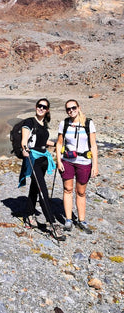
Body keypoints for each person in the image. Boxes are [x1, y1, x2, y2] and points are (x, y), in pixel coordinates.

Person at [56, 99, 98, 234]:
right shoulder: (64, 123)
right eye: (68, 109)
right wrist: (58, 160)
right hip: (67, 161)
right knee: (67, 189)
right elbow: (59, 143)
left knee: (81, 192)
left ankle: (81, 220)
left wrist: (95, 165)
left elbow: (93, 145)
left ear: (79, 108)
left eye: (73, 108)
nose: (71, 111)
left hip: (84, 162)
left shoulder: (88, 123)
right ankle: (68, 220)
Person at [18, 99, 58, 234]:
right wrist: (24, 150)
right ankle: (52, 223)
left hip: (43, 159)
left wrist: (56, 144)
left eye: (44, 107)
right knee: (42, 190)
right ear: (36, 107)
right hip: (33, 159)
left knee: (35, 188)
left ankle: (29, 216)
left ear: (47, 110)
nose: (41, 108)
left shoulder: (43, 124)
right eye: (39, 106)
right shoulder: (29, 121)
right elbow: (24, 140)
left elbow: (42, 141)